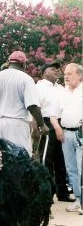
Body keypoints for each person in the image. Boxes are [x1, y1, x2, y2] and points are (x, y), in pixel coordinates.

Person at [0, 51, 48, 156]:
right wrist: (42, 124)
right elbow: (32, 106)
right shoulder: (25, 78)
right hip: (16, 124)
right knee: (20, 160)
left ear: (9, 63)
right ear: (23, 64)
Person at [36, 61, 74, 202]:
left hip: (61, 123)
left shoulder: (60, 88)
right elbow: (35, 108)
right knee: (46, 160)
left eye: (58, 69)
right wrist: (38, 127)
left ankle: (62, 193)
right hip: (46, 124)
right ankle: (47, 193)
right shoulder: (39, 86)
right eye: (53, 69)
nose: (57, 71)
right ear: (45, 72)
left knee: (61, 160)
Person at [57, 63, 83, 214]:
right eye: (65, 73)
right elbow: (54, 113)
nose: (66, 76)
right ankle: (78, 200)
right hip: (66, 134)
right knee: (71, 169)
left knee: (81, 168)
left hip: (81, 134)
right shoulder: (62, 92)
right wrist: (57, 127)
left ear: (79, 75)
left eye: (69, 74)